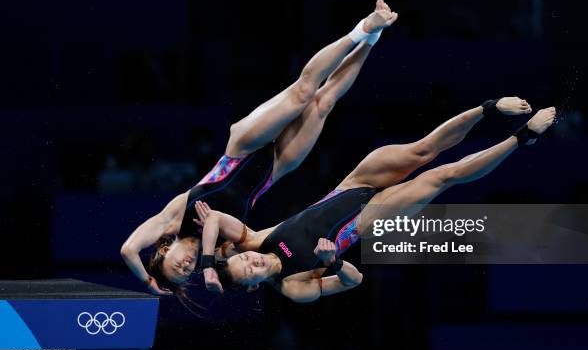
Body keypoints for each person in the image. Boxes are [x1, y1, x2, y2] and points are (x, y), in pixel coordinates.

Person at [120, 0, 399, 298]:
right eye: (186, 273)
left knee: (304, 91)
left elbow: (128, 250)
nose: (186, 267)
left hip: (242, 150)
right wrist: (213, 266)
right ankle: (374, 37)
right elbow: (255, 265)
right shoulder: (224, 250)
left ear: (165, 249)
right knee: (324, 101)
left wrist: (149, 284)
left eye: (176, 267)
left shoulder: (172, 220)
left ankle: (362, 28)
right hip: (275, 168)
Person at [194, 99, 556, 302]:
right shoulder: (292, 286)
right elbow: (354, 281)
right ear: (254, 286)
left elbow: (213, 220)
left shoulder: (256, 239)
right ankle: (522, 138)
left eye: (245, 259)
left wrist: (209, 263)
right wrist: (332, 262)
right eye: (250, 272)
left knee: (422, 150)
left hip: (352, 184)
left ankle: (488, 109)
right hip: (367, 219)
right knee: (442, 176)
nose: (253, 261)